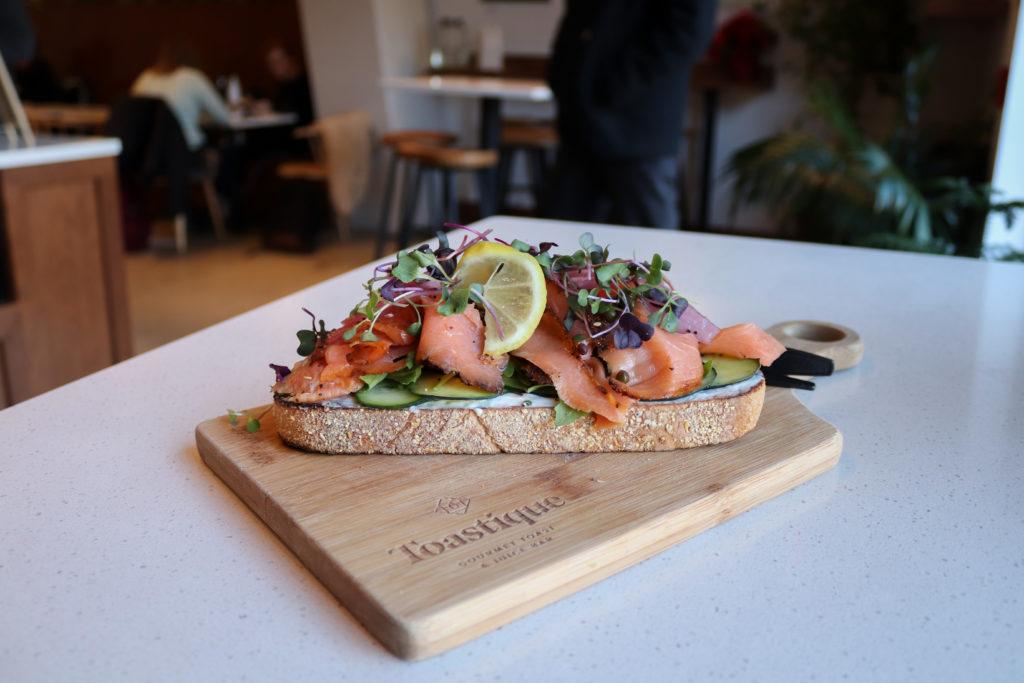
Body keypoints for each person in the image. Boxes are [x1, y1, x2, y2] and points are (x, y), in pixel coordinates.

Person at [546, 0, 716, 229]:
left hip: (639, 121)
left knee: (651, 245)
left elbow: (688, 30)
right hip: (580, 119)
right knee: (561, 240)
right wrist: (563, 77)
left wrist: (614, 83)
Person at [131, 44, 231, 151]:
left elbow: (132, 116)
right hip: (187, 151)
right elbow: (224, 117)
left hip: (149, 155)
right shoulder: (192, 77)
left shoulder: (144, 78)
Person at [264, 43, 313, 127]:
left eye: (279, 60)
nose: (275, 66)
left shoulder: (304, 82)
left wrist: (272, 107)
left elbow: (298, 108)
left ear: (291, 59)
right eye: (271, 63)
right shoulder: (282, 85)